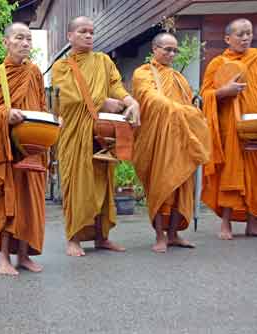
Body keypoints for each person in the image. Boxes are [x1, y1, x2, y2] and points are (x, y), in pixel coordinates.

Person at [51, 16, 140, 257]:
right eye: (82, 31)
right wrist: (102, 104)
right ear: (70, 36)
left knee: (103, 183)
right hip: (76, 134)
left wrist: (130, 101)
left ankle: (102, 237)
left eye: (91, 31)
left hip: (102, 133)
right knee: (77, 186)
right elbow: (69, 99)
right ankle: (73, 238)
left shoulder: (103, 61)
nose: (89, 35)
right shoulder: (62, 66)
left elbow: (116, 86)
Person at [0, 22, 47, 276]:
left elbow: (40, 106)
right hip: (5, 147)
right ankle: (4, 257)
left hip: (31, 145)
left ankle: (24, 255)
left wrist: (49, 123)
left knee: (30, 200)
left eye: (29, 39)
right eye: (19, 38)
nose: (26, 43)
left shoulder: (35, 72)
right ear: (6, 42)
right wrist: (5, 115)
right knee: (7, 199)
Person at [131, 32, 211, 253]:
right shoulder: (143, 73)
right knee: (161, 185)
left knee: (181, 186)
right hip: (158, 139)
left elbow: (189, 103)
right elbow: (149, 97)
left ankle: (174, 234)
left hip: (181, 139)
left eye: (174, 50)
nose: (171, 54)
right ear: (154, 49)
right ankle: (159, 235)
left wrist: (191, 113)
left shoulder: (179, 78)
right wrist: (180, 110)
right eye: (167, 49)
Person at [201, 18, 257, 240]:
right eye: (240, 34)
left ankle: (253, 222)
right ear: (227, 38)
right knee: (230, 172)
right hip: (230, 127)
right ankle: (226, 223)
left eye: (249, 33)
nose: (245, 38)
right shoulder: (218, 63)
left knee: (255, 173)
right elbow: (205, 95)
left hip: (254, 124)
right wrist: (224, 91)